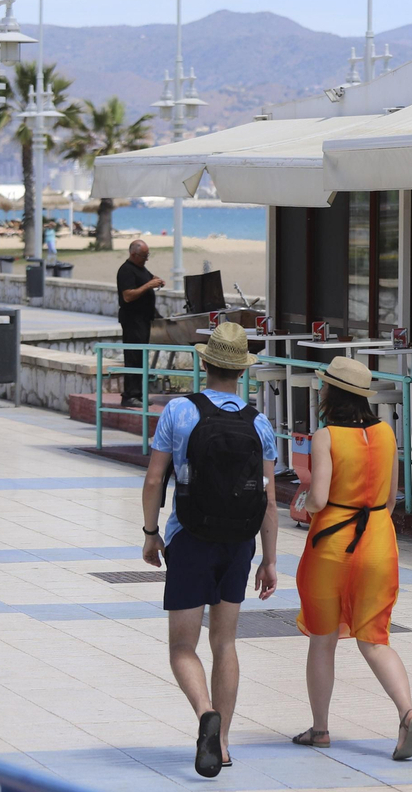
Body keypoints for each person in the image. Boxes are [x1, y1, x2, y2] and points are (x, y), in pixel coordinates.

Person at [140, 322, 278, 778]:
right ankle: (221, 745)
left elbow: (155, 478)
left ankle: (204, 714)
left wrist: (150, 532)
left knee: (183, 645)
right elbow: (269, 499)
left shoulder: (179, 411)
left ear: (205, 362)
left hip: (189, 536)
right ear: (242, 371)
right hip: (238, 542)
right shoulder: (259, 423)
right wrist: (269, 559)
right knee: (225, 642)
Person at [292, 356, 412, 762]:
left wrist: (302, 502)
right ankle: (407, 712)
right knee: (375, 638)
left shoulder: (326, 436)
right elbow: (390, 497)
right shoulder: (386, 433)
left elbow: (318, 497)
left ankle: (320, 729)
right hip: (379, 540)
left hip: (333, 544)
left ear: (331, 392)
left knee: (323, 637)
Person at [117, 239, 165, 408]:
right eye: (143, 256)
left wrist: (155, 280)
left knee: (141, 358)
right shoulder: (126, 270)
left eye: (147, 256)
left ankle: (139, 393)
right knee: (133, 358)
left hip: (144, 320)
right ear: (133, 254)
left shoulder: (140, 268)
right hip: (132, 321)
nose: (146, 259)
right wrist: (149, 285)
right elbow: (128, 296)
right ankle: (129, 395)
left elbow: (147, 278)